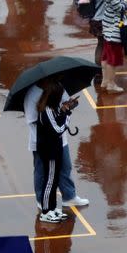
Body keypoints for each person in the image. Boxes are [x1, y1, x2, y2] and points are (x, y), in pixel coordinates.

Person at [24, 78, 89, 211]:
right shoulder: (32, 94)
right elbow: (34, 119)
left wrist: (67, 107)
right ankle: (42, 201)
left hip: (59, 140)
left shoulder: (57, 86)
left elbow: (61, 106)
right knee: (42, 172)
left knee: (65, 167)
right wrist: (64, 114)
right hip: (42, 142)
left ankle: (69, 197)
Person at [35, 81, 76, 223]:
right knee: (50, 181)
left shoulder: (52, 109)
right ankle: (46, 211)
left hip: (54, 149)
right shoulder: (46, 111)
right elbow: (58, 129)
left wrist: (65, 109)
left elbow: (58, 120)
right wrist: (68, 115)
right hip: (50, 151)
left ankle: (52, 208)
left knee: (53, 179)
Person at [93, 0, 127, 93]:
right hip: (113, 25)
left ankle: (104, 81)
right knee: (112, 57)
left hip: (107, 22)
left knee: (106, 55)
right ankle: (111, 84)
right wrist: (125, 1)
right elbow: (119, 7)